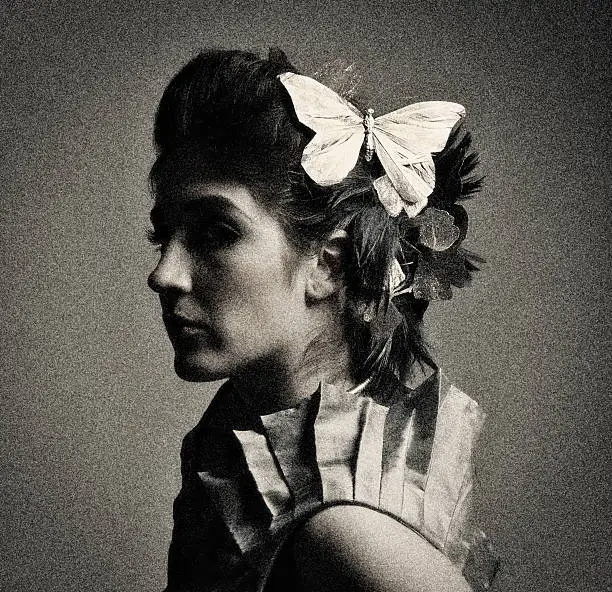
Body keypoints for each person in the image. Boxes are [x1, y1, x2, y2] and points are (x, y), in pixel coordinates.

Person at [147, 48, 499, 592]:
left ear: (326, 266)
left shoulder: (344, 530)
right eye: (161, 234)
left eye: (216, 232)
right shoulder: (247, 449)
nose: (164, 273)